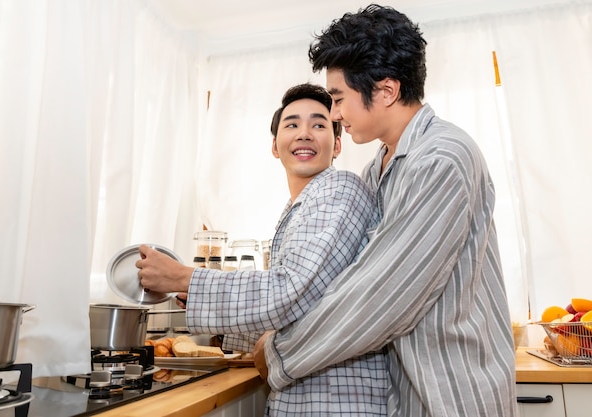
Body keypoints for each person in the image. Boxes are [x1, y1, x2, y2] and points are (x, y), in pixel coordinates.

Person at [253, 4, 517, 417]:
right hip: (410, 392)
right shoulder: (378, 170)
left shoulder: (441, 158)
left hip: (453, 394)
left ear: (386, 90)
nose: (335, 114)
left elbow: (379, 295)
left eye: (338, 99)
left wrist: (278, 355)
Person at [137, 83, 389, 416]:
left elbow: (292, 290)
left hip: (335, 400)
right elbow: (297, 317)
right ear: (274, 146)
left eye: (318, 124)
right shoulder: (300, 207)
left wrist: (185, 278)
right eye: (292, 125)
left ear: (337, 144)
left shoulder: (340, 189)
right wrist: (219, 327)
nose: (304, 134)